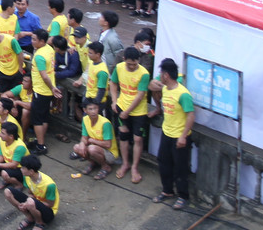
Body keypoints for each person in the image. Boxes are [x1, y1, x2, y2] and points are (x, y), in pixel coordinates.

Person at [153, 58, 194, 208]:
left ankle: (183, 195)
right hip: (167, 133)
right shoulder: (164, 89)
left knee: (180, 168)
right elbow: (152, 85)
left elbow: (191, 115)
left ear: (166, 75)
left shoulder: (183, 94)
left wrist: (183, 136)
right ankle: (167, 190)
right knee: (163, 162)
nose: (160, 76)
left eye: (161, 73)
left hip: (179, 136)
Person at [113, 46, 150, 184]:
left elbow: (140, 95)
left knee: (138, 139)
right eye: (129, 64)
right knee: (123, 136)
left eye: (135, 64)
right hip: (122, 106)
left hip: (138, 111)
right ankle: (125, 163)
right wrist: (114, 101)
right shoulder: (119, 68)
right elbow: (113, 83)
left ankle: (135, 167)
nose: (132, 66)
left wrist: (127, 112)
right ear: (124, 60)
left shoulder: (144, 74)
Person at [4, 154, 58, 230]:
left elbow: (50, 204)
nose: (21, 169)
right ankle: (30, 217)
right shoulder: (27, 177)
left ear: (31, 171)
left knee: (30, 202)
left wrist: (29, 203)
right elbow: (30, 193)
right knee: (8, 192)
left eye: (23, 168)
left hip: (48, 212)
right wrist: (26, 203)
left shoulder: (49, 184)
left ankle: (39, 223)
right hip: (33, 204)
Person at [75, 97, 117, 178]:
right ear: (85, 110)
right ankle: (93, 162)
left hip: (110, 153)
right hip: (96, 147)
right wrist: (82, 143)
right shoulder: (85, 119)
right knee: (77, 147)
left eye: (95, 108)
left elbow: (108, 145)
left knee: (91, 149)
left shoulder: (105, 123)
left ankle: (105, 167)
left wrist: (92, 140)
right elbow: (84, 137)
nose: (93, 111)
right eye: (90, 109)